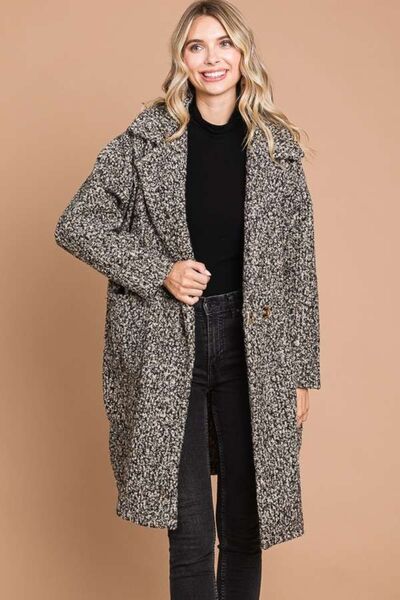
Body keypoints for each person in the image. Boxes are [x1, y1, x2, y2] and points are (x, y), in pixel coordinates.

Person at [54, 1, 321, 599]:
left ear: (243, 54)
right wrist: (160, 273)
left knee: (248, 527)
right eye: (197, 46)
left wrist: (302, 372)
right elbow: (77, 223)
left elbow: (298, 267)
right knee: (192, 532)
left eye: (224, 43)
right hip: (167, 341)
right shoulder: (145, 140)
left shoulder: (278, 151)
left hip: (257, 343)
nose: (212, 58)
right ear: (182, 58)